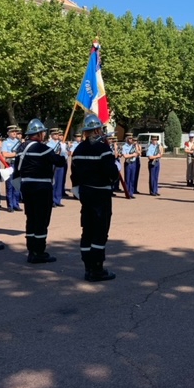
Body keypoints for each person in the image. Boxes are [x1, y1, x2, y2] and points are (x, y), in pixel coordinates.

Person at [70, 114, 119, 281]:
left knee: (87, 231)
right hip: (101, 194)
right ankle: (97, 268)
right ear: (97, 130)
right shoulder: (103, 149)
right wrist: (114, 176)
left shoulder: (78, 150)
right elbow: (112, 173)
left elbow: (74, 173)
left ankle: (87, 266)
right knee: (100, 231)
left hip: (85, 193)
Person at [13, 118, 66, 264]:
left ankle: (31, 250)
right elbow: (60, 162)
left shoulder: (21, 148)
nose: (44, 135)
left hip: (27, 187)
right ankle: (39, 251)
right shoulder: (43, 148)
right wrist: (61, 154)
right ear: (38, 134)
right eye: (43, 132)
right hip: (42, 188)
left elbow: (17, 168)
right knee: (42, 220)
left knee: (31, 219)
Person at [1, 125, 22, 212]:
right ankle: (10, 205)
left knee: (16, 185)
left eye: (15, 132)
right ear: (8, 133)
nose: (14, 133)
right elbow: (5, 154)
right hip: (9, 164)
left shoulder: (19, 142)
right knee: (9, 185)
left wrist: (14, 154)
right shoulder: (6, 142)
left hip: (17, 164)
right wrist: (15, 154)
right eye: (12, 132)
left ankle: (16, 204)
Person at [47, 129, 68, 207]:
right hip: (53, 164)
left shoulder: (62, 144)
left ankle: (58, 200)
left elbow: (65, 154)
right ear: (51, 135)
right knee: (53, 182)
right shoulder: (49, 144)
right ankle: (51, 200)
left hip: (60, 163)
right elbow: (51, 153)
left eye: (57, 134)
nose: (56, 135)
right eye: (55, 134)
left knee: (59, 182)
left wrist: (63, 150)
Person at [121, 133, 138, 198]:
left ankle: (131, 193)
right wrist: (132, 155)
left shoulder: (133, 146)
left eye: (132, 139)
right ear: (127, 139)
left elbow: (137, 153)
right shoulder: (124, 147)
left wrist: (136, 146)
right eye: (130, 139)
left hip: (133, 163)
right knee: (127, 179)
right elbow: (125, 156)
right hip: (128, 163)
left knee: (132, 179)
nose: (132, 140)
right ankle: (127, 193)